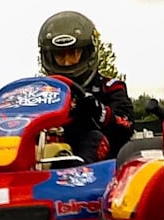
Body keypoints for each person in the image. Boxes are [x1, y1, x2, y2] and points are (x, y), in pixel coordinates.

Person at [38, 11, 134, 162]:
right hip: (45, 155)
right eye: (60, 56)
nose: (67, 62)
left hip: (102, 164)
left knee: (93, 139)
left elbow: (126, 127)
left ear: (87, 52)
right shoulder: (40, 92)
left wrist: (99, 112)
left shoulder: (111, 88)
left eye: (72, 54)